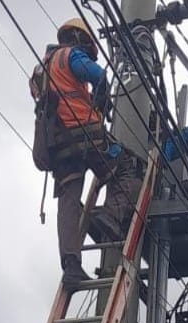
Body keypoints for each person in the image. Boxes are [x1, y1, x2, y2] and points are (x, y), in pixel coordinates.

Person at [32, 17, 141, 288]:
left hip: (57, 146)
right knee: (126, 166)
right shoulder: (71, 55)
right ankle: (110, 216)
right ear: (79, 39)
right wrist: (100, 103)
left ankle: (71, 266)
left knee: (68, 200)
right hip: (85, 132)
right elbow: (99, 76)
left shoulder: (40, 68)